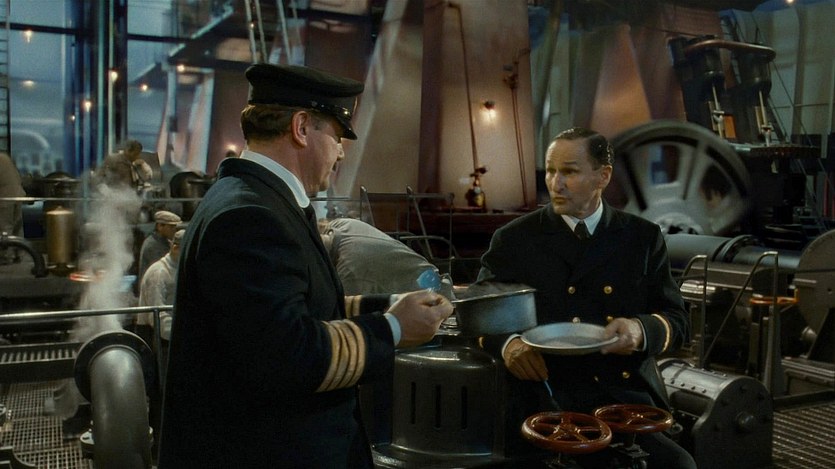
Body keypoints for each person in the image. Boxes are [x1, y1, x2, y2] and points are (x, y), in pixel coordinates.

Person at [158, 63, 453, 468]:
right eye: (337, 135)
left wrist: (390, 305)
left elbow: (296, 309)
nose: (341, 152)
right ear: (300, 128)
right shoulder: (250, 217)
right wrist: (394, 328)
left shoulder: (255, 199)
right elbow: (287, 355)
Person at [478, 127, 696, 468]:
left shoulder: (642, 237)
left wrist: (640, 330)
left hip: (620, 396)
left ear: (602, 176)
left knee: (679, 465)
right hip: (544, 397)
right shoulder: (514, 240)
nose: (556, 184)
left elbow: (678, 321)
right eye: (551, 171)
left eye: (569, 172)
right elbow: (481, 313)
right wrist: (509, 345)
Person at [320, 217, 438, 295]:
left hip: (431, 302)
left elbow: (343, 316)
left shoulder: (349, 271)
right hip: (432, 279)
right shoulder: (341, 224)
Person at [137, 229, 184, 341]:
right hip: (157, 338)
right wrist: (179, 336)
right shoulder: (158, 272)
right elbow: (157, 315)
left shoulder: (179, 269)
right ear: (175, 248)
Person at [137, 210, 181, 282]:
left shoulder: (164, 241)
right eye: (171, 227)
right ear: (160, 226)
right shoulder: (152, 245)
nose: (174, 230)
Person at [0, 152, 26, 264]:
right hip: (17, 195)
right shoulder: (4, 157)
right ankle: (19, 253)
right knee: (17, 227)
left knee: (5, 228)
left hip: (5, 197)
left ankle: (6, 256)